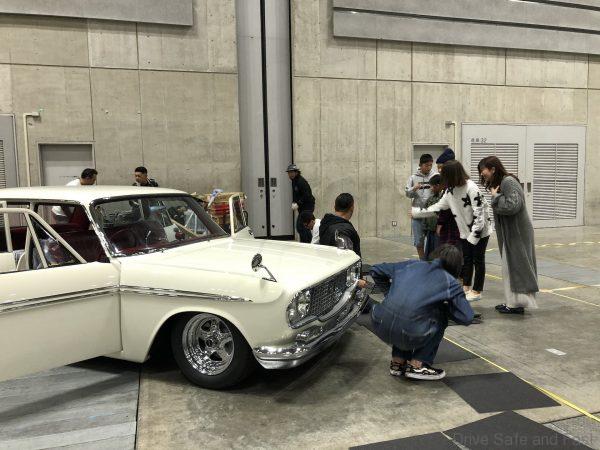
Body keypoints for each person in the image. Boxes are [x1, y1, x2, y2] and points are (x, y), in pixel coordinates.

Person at [370, 244, 474, 380]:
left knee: (406, 308)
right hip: (409, 331)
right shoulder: (450, 282)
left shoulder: (410, 264)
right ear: (457, 266)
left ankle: (397, 362)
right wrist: (445, 306)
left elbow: (375, 270)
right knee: (440, 315)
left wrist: (390, 292)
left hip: (379, 323)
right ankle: (418, 364)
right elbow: (467, 317)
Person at [412, 160, 493, 302]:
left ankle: (477, 290)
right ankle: (466, 287)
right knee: (467, 259)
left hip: (480, 231)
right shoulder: (450, 191)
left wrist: (473, 237)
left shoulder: (471, 188)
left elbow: (480, 215)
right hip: (465, 231)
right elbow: (439, 206)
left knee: (478, 260)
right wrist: (417, 212)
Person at [479, 156, 539, 314]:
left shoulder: (508, 181)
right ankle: (512, 302)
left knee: (517, 266)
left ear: (493, 169)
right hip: (510, 233)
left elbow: (512, 206)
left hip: (517, 232)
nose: (482, 173)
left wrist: (496, 197)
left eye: (483, 170)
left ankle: (517, 304)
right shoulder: (503, 182)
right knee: (509, 266)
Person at [405, 154, 437, 260]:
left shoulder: (435, 176)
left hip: (431, 215)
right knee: (419, 241)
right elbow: (407, 194)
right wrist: (413, 188)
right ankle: (422, 262)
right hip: (417, 214)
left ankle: (432, 262)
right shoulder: (413, 177)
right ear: (420, 165)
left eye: (430, 165)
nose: (429, 167)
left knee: (433, 241)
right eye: (426, 165)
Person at [435, 149, 461, 248]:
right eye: (438, 167)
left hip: (454, 226)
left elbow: (446, 208)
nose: (439, 170)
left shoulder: (454, 184)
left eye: (441, 167)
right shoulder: (447, 182)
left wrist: (440, 224)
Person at [286, 164, 315, 243]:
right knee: (304, 226)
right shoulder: (294, 181)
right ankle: (307, 242)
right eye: (289, 173)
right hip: (302, 207)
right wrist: (294, 202)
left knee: (301, 226)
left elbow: (307, 195)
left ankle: (306, 243)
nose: (290, 174)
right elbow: (296, 194)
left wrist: (298, 203)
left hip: (308, 206)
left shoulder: (301, 181)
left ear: (296, 172)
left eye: (292, 172)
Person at [422, 174, 443, 260]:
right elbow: (425, 214)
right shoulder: (430, 199)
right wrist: (425, 228)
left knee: (438, 253)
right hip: (430, 231)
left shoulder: (444, 198)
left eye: (432, 186)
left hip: (439, 232)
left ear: (438, 186)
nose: (431, 189)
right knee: (429, 253)